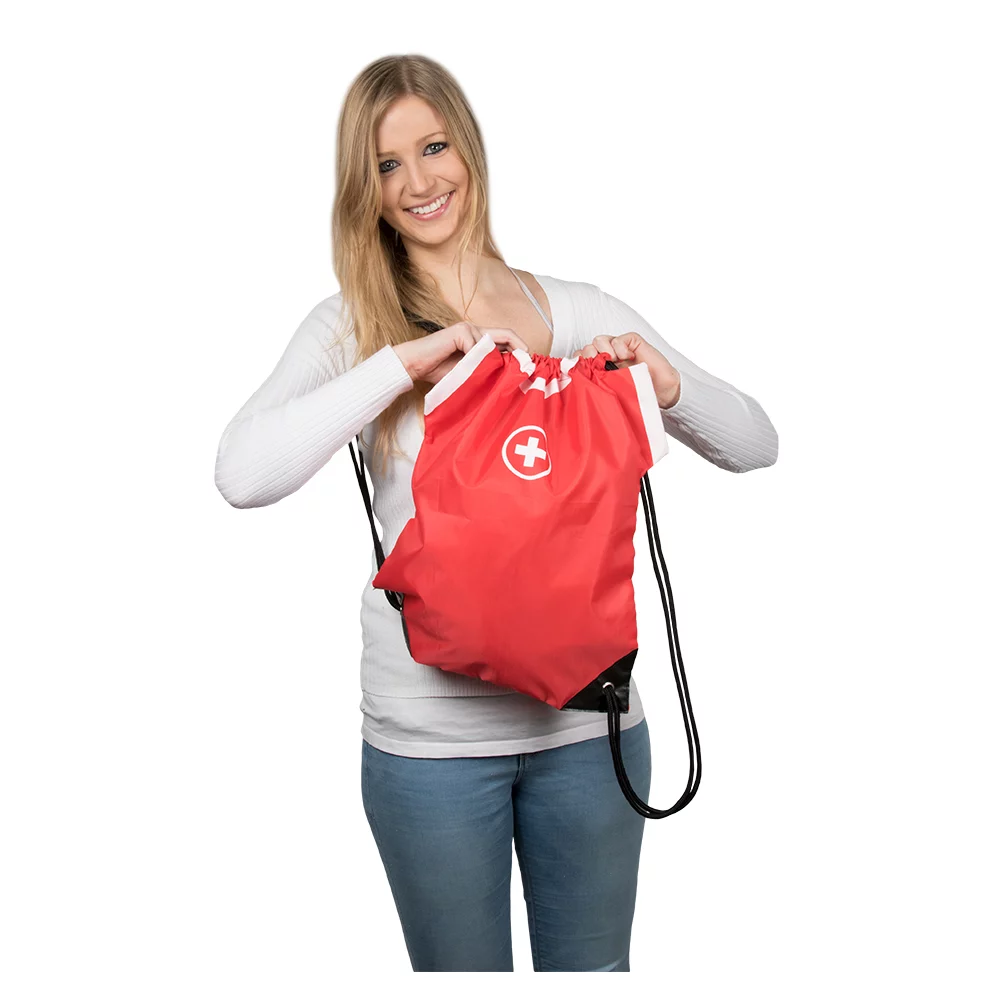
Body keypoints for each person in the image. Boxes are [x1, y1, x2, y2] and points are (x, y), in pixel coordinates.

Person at [214, 53, 779, 972]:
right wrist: (403, 362)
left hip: (591, 731)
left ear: (469, 148)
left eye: (434, 147)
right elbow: (243, 474)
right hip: (430, 748)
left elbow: (757, 443)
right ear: (363, 188)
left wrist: (667, 384)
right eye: (387, 164)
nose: (419, 181)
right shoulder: (348, 326)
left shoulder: (577, 309)